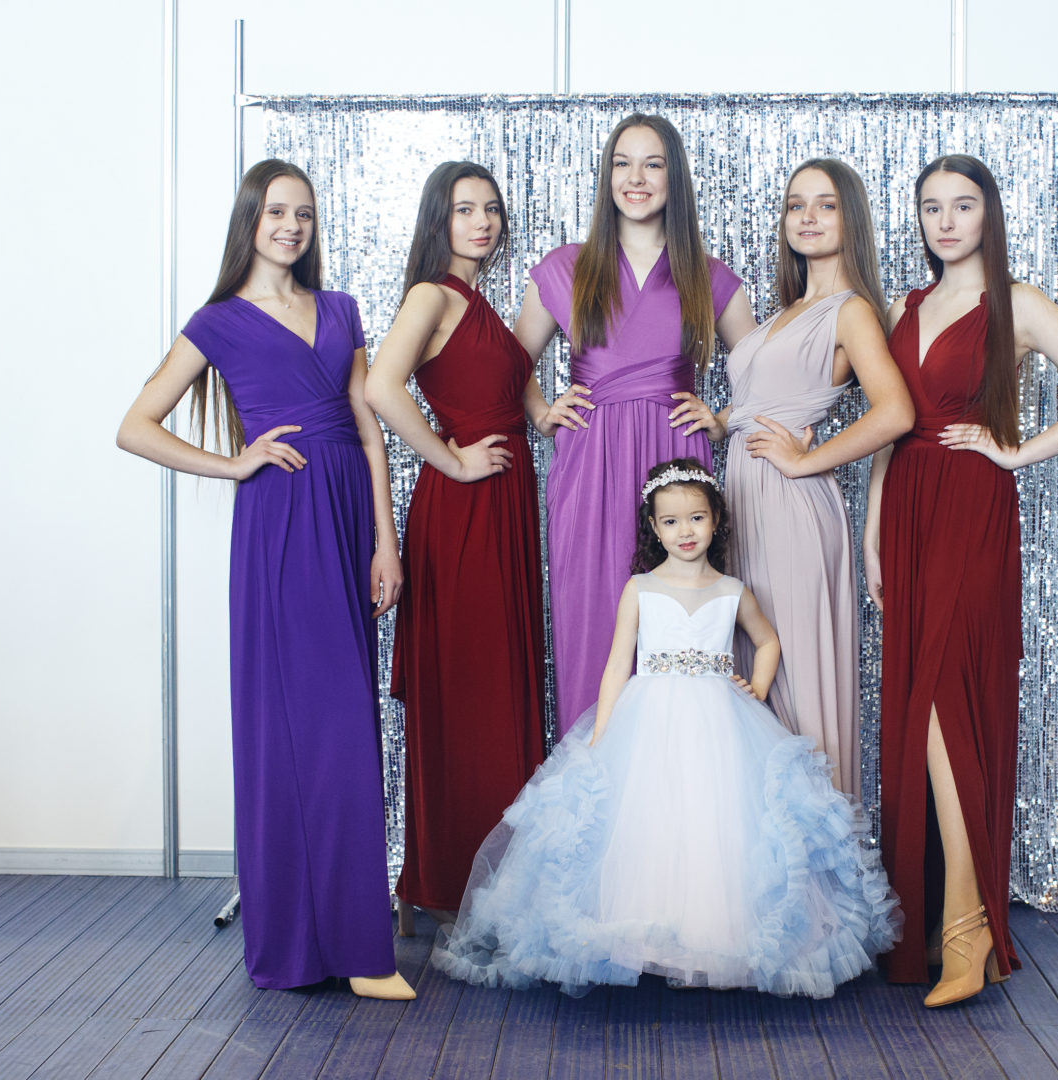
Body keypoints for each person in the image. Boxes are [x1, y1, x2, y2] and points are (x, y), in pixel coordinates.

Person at [431, 459, 901, 997]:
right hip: (649, 717)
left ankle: (710, 939)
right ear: (654, 528)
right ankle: (645, 943)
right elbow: (617, 664)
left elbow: (767, 641)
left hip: (720, 722)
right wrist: (601, 735)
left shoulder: (732, 590)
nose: (685, 531)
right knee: (649, 817)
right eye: (672, 521)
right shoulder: (640, 588)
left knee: (713, 821)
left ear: (716, 520)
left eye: (697, 518)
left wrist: (757, 686)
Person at [116, 159, 413, 1000]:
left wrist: (386, 542)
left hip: (347, 519)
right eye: (277, 211)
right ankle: (315, 946)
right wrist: (231, 464)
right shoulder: (217, 323)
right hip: (279, 525)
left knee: (347, 724)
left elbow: (368, 429)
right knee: (296, 729)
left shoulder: (341, 308)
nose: (291, 226)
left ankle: (353, 944)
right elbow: (135, 426)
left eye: (304, 214)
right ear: (250, 219)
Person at [864, 154, 1058, 1007]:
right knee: (918, 710)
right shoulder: (903, 307)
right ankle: (948, 920)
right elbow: (890, 425)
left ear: (989, 215)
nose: (946, 222)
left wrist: (1016, 453)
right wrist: (871, 531)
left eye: (963, 206)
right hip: (905, 510)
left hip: (970, 509)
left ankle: (968, 926)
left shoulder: (1019, 305)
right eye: (932, 207)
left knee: (946, 706)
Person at [670, 158, 913, 797]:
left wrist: (807, 459)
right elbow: (766, 398)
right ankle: (764, 850)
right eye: (795, 205)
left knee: (796, 678)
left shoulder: (850, 311)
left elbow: (896, 412)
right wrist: (721, 421)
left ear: (850, 218)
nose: (807, 217)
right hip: (742, 500)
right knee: (751, 673)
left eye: (826, 205)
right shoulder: (787, 311)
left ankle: (818, 854)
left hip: (793, 504)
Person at [513, 113, 757, 732]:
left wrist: (722, 420)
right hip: (589, 463)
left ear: (674, 179)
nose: (636, 178)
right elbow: (508, 363)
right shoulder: (566, 267)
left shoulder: (706, 273)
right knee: (592, 616)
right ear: (607, 176)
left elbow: (765, 369)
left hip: (675, 459)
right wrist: (541, 411)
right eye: (622, 163)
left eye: (653, 164)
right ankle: (593, 774)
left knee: (677, 621)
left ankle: (677, 780)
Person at [363, 162, 545, 932]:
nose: (483, 222)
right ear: (439, 219)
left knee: (499, 687)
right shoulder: (432, 296)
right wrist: (453, 460)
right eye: (465, 209)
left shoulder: (481, 303)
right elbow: (380, 387)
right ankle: (445, 885)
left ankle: (490, 885)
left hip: (505, 503)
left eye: (492, 209)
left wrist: (547, 409)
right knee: (470, 693)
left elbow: (507, 392)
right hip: (464, 510)